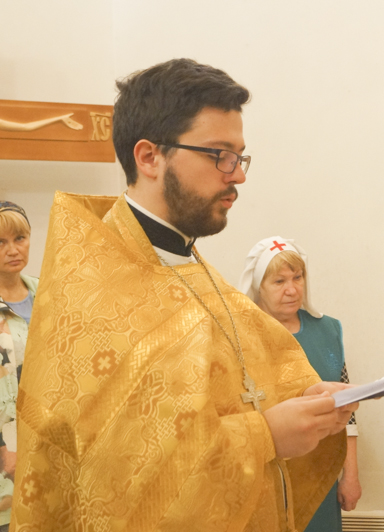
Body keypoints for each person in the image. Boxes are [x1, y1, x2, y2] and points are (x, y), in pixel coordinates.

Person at [11, 59, 357, 532]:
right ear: (149, 157)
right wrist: (265, 436)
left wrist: (306, 400)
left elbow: (232, 388)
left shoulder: (192, 268)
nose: (237, 176)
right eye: (219, 155)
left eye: (239, 157)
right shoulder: (96, 295)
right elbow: (116, 479)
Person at [240, 237, 361, 532]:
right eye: (279, 281)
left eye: (297, 277)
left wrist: (350, 474)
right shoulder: (241, 335)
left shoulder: (328, 329)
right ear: (259, 286)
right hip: (267, 475)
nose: (292, 289)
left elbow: (347, 411)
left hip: (320, 471)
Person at [0, 203, 37, 532]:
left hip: (46, 444)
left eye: (19, 238)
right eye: (0, 242)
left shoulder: (48, 295)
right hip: (5, 456)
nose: (12, 250)